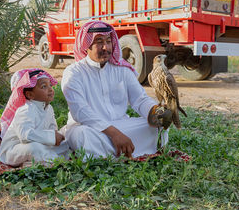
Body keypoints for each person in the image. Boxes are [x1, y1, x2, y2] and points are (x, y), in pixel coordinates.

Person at [61, 20, 171, 160]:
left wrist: (154, 112)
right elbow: (80, 112)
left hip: (122, 125)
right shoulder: (74, 72)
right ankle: (125, 152)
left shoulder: (122, 70)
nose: (106, 47)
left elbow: (140, 99)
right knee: (82, 136)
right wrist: (115, 134)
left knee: (155, 126)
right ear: (86, 45)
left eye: (108, 41)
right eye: (99, 42)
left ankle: (110, 153)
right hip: (89, 128)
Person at [0, 68, 70, 166]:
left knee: (67, 140)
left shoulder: (49, 108)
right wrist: (52, 137)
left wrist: (57, 138)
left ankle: (33, 163)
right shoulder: (26, 109)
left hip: (41, 144)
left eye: (50, 85)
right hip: (15, 149)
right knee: (35, 148)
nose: (50, 89)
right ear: (30, 94)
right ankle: (58, 162)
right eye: (44, 86)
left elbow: (52, 129)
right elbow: (25, 136)